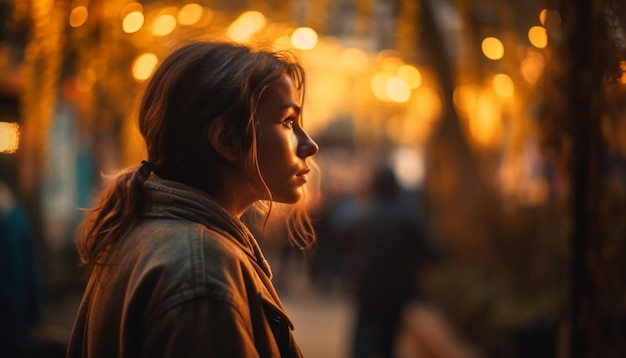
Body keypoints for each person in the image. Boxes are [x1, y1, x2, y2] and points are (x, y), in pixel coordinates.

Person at [66, 41, 319, 358]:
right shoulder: (202, 273)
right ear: (226, 140)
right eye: (287, 122)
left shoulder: (147, 231)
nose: (310, 144)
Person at [346, 166, 440, 358]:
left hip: (367, 288)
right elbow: (433, 253)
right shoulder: (408, 219)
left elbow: (342, 241)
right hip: (397, 290)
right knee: (389, 338)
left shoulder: (365, 218)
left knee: (363, 335)